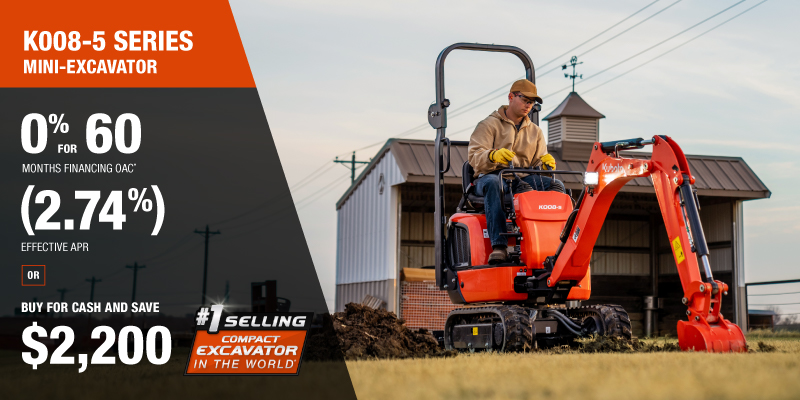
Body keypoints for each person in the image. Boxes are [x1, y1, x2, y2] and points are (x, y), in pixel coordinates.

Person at [467, 79, 563, 264]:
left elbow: (538, 162)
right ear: (511, 97)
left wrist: (546, 166)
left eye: (531, 102)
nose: (528, 105)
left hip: (522, 178)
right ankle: (499, 246)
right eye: (525, 100)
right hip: (490, 176)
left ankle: (556, 244)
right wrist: (492, 156)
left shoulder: (535, 132)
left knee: (556, 185)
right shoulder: (488, 125)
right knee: (495, 184)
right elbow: (474, 157)